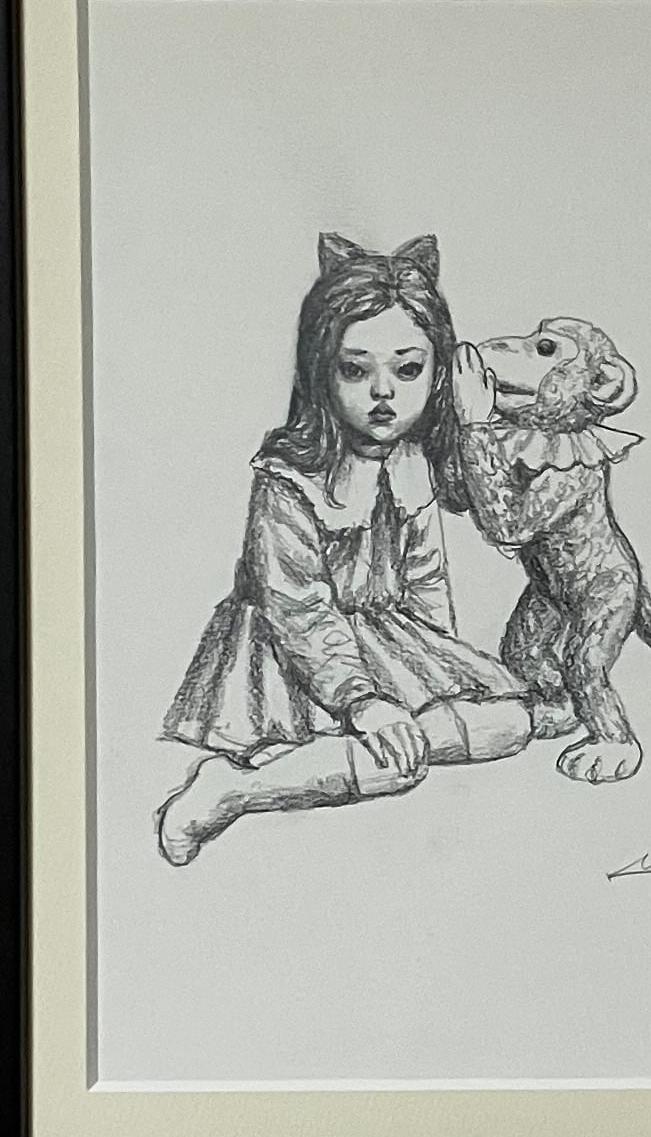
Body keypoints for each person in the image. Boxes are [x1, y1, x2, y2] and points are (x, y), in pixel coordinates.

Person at [155, 232, 531, 865]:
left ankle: (334, 756)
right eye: (356, 370)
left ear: (438, 373)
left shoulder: (411, 461)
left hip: (388, 645)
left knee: (509, 724)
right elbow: (296, 605)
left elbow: (426, 580)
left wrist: (441, 676)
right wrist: (364, 702)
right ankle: (233, 789)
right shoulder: (289, 475)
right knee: (394, 768)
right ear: (319, 370)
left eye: (407, 370)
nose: (383, 393)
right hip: (291, 658)